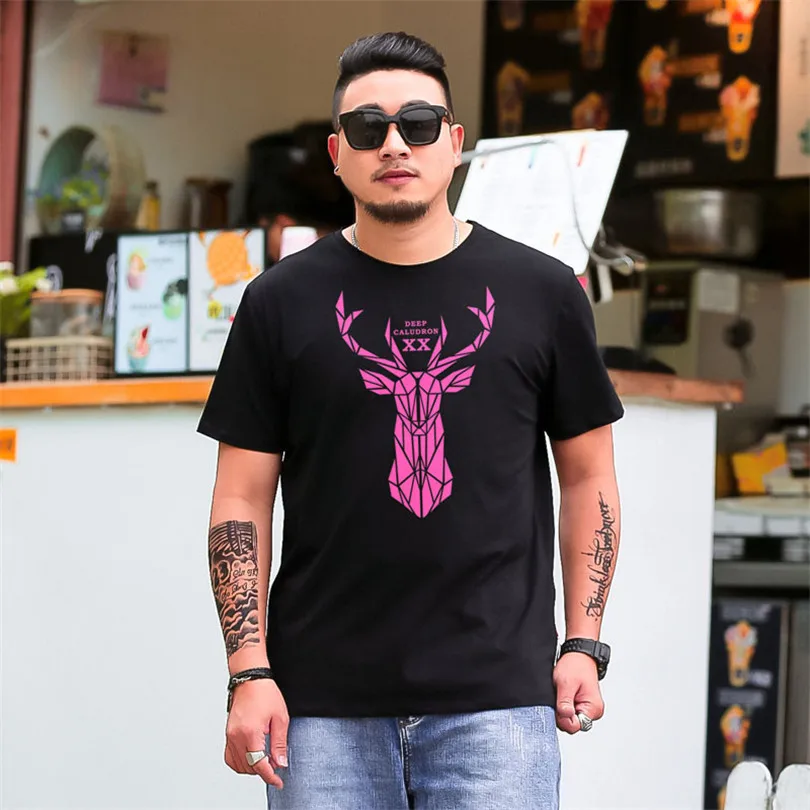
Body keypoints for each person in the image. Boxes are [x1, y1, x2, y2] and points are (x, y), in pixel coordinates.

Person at [198, 31, 623, 810]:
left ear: (454, 143)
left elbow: (589, 478)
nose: (394, 144)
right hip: (320, 709)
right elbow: (240, 498)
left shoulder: (543, 292)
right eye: (368, 128)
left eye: (418, 124)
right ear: (337, 153)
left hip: (498, 704)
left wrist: (584, 643)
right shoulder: (278, 303)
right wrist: (248, 671)